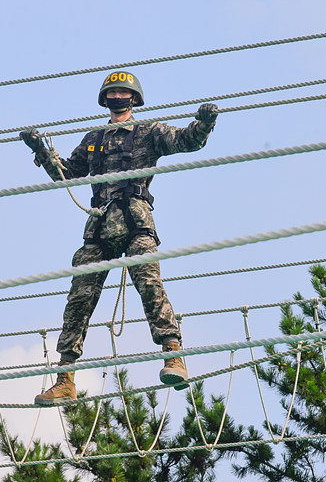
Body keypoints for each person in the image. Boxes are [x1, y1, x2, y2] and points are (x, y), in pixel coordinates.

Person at [20, 71, 218, 406]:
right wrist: (41, 149)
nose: (117, 98)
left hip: (135, 221)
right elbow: (67, 174)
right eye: (112, 94)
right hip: (98, 227)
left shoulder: (148, 133)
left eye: (122, 94)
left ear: (134, 100)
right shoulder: (93, 139)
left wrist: (205, 122)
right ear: (105, 100)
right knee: (78, 301)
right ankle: (65, 379)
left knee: (150, 284)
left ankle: (173, 355)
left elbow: (186, 140)